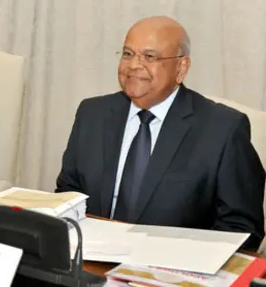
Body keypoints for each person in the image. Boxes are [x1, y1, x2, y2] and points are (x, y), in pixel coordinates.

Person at [56, 16, 265, 249]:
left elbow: (242, 229)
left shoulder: (223, 129)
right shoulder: (92, 114)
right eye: (127, 54)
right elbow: (68, 197)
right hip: (90, 266)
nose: (134, 65)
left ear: (181, 68)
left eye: (149, 57)